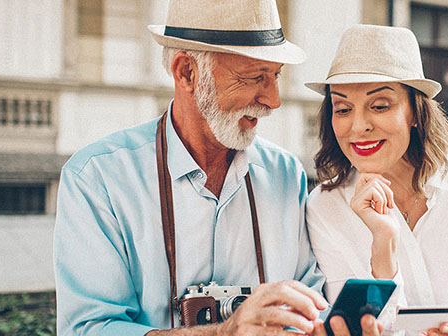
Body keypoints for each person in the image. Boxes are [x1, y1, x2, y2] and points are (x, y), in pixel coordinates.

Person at [53, 1, 334, 335]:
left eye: (275, 76)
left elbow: (312, 302)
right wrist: (224, 332)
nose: (273, 100)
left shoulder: (286, 174)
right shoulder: (97, 179)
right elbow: (87, 329)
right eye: (255, 77)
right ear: (186, 72)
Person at [305, 25, 448, 336]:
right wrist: (384, 247)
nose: (358, 126)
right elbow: (355, 330)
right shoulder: (324, 207)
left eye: (379, 105)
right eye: (342, 109)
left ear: (416, 113)